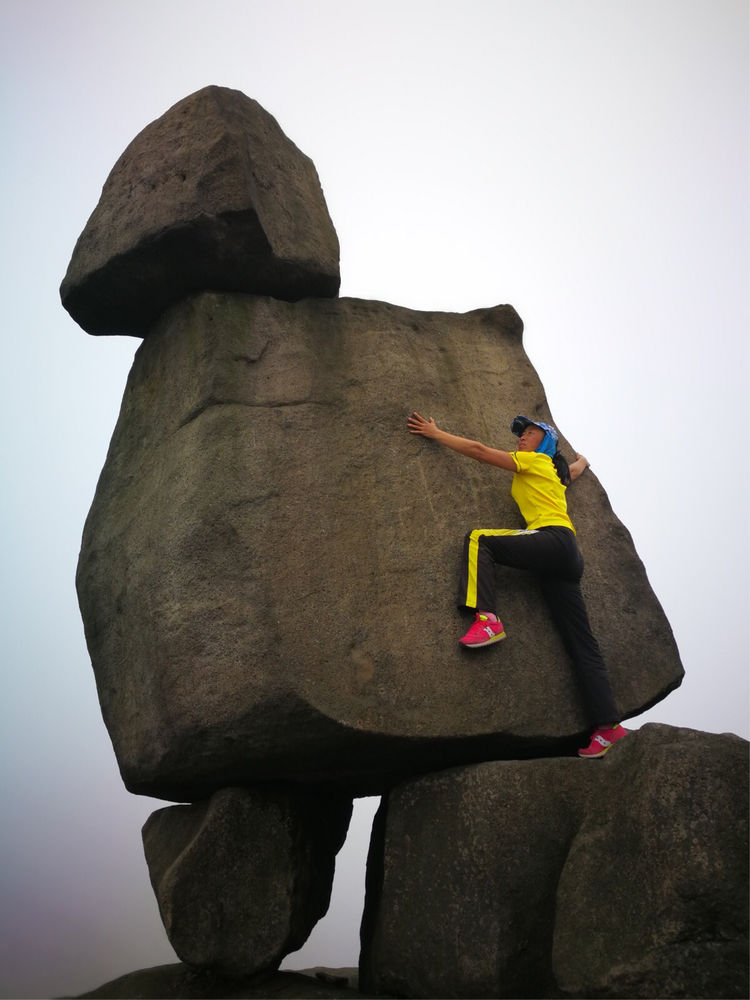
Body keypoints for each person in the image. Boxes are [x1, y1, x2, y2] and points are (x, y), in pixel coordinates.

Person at [406, 409, 627, 759]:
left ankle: (488, 620)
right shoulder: (554, 473)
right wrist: (583, 462)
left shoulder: (534, 462)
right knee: (581, 643)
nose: (522, 436)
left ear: (546, 442)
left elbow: (480, 451)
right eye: (521, 433)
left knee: (480, 539)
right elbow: (572, 472)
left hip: (552, 539)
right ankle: (607, 728)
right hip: (566, 558)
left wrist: (437, 434)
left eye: (530, 432)